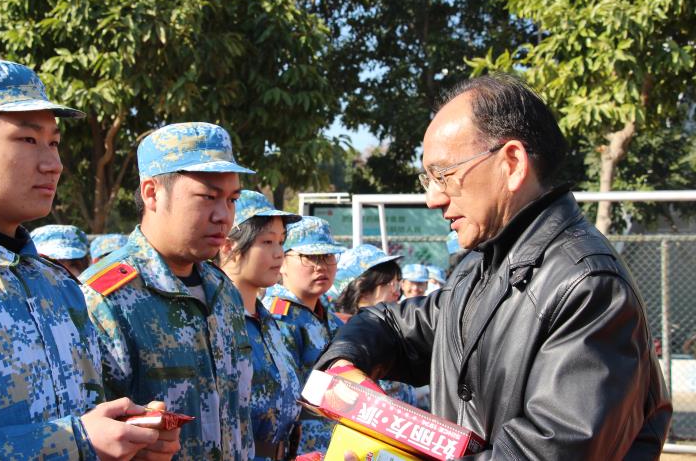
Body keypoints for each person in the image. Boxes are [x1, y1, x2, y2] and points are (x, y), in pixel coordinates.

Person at [315, 74, 671, 459]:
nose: (433, 198)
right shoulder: (482, 267)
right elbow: (392, 325)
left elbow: (543, 453)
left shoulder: (587, 287)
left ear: (512, 163)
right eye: (427, 179)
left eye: (444, 175)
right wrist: (345, 364)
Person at [0, 59, 179, 459]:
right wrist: (75, 442)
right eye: (27, 140)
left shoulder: (57, 283)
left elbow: (85, 422)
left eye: (54, 143)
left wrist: (125, 441)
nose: (54, 164)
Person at [79, 122, 255, 461]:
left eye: (232, 200)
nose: (224, 216)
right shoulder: (105, 298)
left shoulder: (224, 292)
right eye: (208, 197)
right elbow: (87, 434)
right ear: (152, 193)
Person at [216, 190, 303, 461]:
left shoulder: (266, 320)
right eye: (266, 242)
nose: (279, 254)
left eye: (281, 242)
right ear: (228, 247)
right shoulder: (214, 319)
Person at [262, 216, 345, 454]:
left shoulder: (329, 317)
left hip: (334, 443)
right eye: (309, 257)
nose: (321, 266)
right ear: (282, 261)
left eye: (328, 256)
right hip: (302, 448)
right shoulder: (278, 318)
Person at [333, 244, 418, 407]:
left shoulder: (395, 328)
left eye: (398, 283)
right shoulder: (340, 333)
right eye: (390, 284)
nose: (397, 292)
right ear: (363, 287)